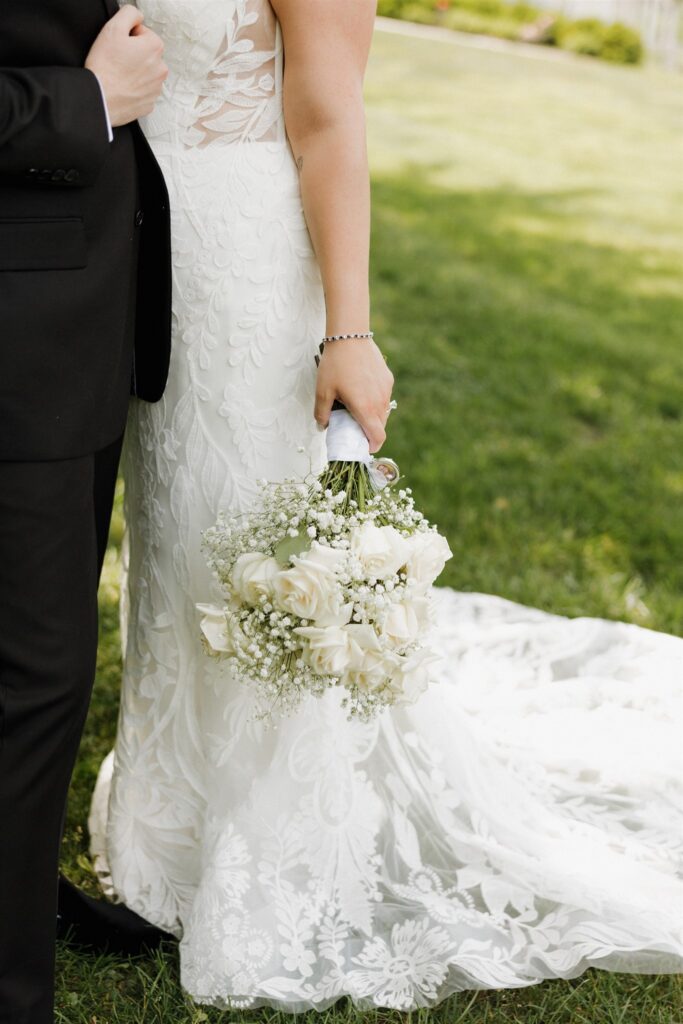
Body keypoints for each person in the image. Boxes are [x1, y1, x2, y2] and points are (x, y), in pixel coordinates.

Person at [89, 0, 683, 1013]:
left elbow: (330, 115)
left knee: (243, 543)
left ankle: (280, 835)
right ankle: (172, 807)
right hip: (138, 252)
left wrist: (347, 331)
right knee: (175, 535)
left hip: (243, 268)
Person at [0, 4, 172, 1021]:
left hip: (75, 314)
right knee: (35, 676)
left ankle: (19, 890)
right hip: (20, 329)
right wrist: (88, 101)